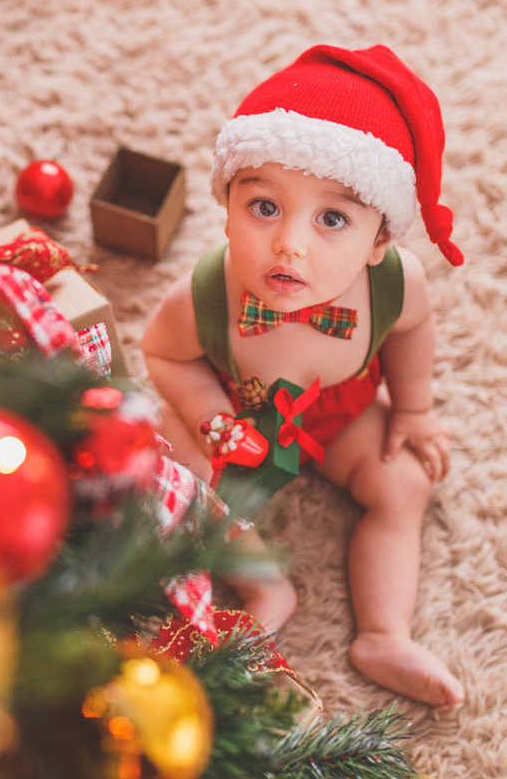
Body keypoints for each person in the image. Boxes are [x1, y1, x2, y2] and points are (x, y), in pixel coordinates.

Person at [142, 44, 465, 708]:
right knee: (179, 465)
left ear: (380, 241)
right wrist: (210, 418)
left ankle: (383, 633)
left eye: (332, 219)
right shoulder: (203, 298)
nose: (290, 243)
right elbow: (165, 357)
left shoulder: (394, 285)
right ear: (226, 203)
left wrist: (413, 409)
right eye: (264, 207)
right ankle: (265, 585)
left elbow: (410, 336)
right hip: (240, 416)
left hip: (338, 411)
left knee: (404, 482)